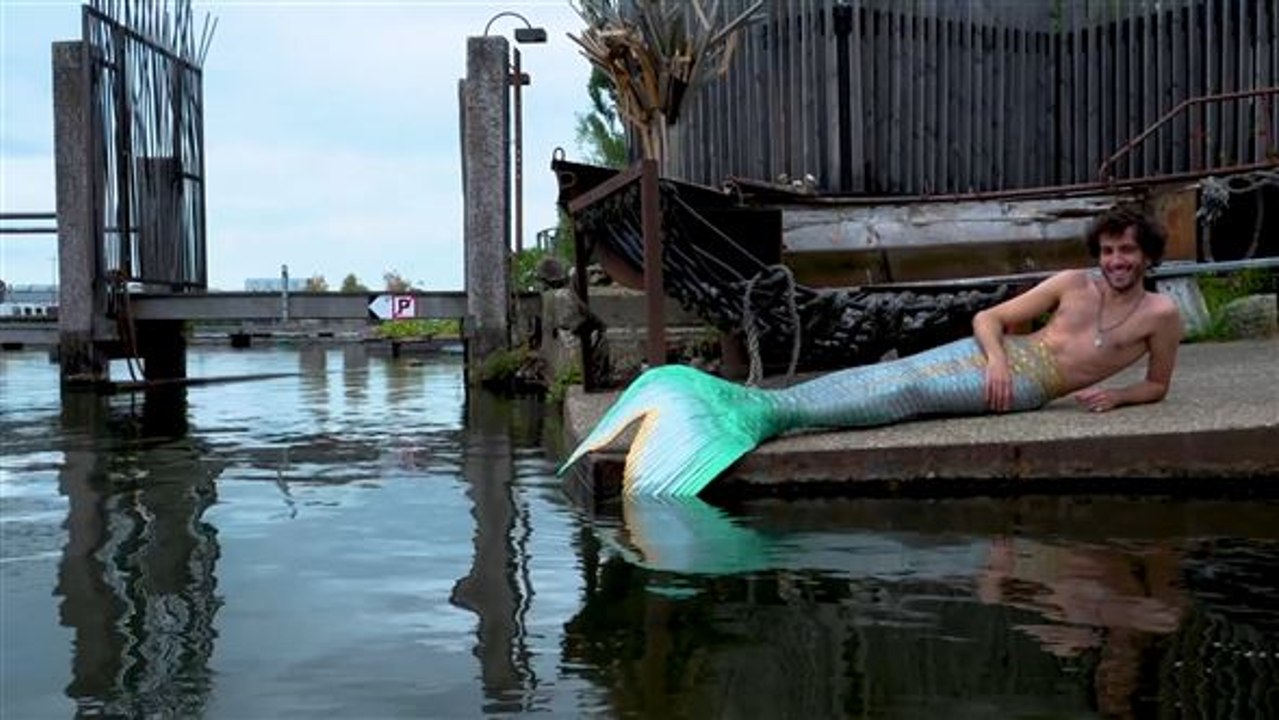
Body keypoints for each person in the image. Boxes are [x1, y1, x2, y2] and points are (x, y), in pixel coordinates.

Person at [560, 205, 1183, 497]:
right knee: (880, 375)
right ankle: (752, 408)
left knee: (908, 392)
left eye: (1127, 252)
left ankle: (762, 417)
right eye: (1108, 251)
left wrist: (1120, 395)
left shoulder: (1162, 316)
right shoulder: (1073, 284)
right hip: (1002, 364)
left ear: (1148, 256)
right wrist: (995, 355)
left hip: (1029, 389)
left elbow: (1159, 385)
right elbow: (989, 317)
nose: (1116, 262)